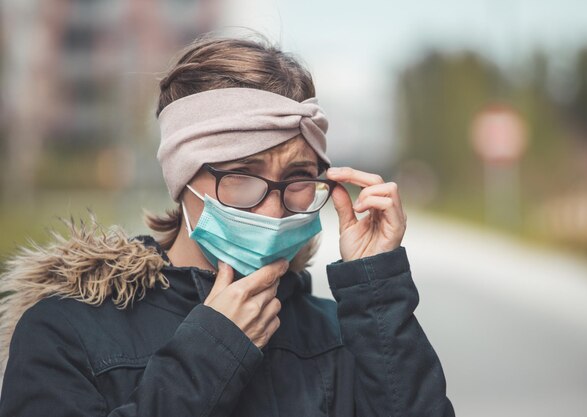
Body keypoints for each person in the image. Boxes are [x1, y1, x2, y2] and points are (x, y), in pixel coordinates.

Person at [0, 32, 455, 417]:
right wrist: (210, 355)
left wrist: (377, 294)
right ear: (183, 179)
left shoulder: (342, 332)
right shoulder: (64, 330)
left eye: (298, 179)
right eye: (242, 175)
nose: (274, 212)